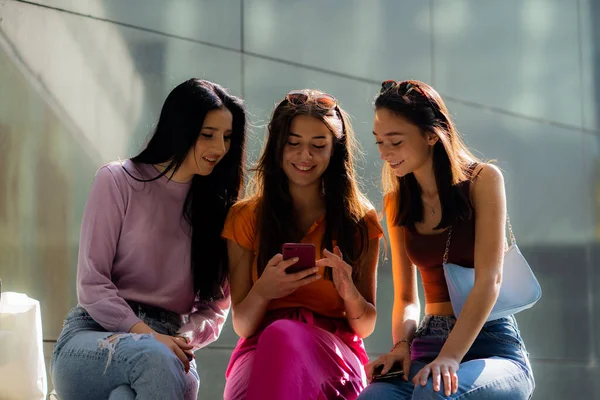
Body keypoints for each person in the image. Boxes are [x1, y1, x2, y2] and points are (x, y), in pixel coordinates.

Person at [50, 79, 248, 400]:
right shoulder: (117, 181)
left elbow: (214, 307)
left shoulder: (219, 211)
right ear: (180, 128)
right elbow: (92, 284)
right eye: (207, 135)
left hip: (171, 347)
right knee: (154, 359)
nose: (220, 149)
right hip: (93, 337)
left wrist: (178, 339)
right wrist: (150, 338)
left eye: (227, 137)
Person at [358, 80, 535, 399]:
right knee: (373, 397)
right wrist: (402, 346)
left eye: (395, 142)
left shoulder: (483, 181)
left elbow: (489, 282)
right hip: (427, 342)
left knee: (433, 392)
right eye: (379, 142)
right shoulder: (397, 201)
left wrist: (450, 357)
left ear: (430, 134)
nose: (385, 154)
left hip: (491, 343)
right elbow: (407, 300)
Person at [222, 89, 384, 399]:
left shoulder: (358, 218)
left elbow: (365, 326)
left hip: (333, 350)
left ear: (334, 151)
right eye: (293, 144)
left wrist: (349, 292)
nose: (304, 156)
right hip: (260, 348)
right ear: (277, 146)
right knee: (273, 347)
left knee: (283, 337)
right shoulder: (245, 216)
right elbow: (242, 325)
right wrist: (264, 290)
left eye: (318, 146)